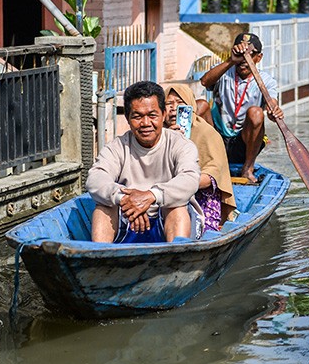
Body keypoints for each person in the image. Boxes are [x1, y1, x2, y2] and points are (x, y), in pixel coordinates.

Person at [86, 81, 202, 243]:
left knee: (176, 208)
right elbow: (95, 178)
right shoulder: (117, 147)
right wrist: (124, 199)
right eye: (137, 116)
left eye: (152, 115)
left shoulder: (181, 144)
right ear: (127, 118)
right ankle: (100, 256)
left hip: (165, 219)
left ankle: (177, 256)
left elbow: (189, 179)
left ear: (163, 114)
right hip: (128, 218)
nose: (146, 123)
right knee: (103, 209)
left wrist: (151, 196)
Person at [196, 32, 284, 183]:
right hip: (217, 138)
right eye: (241, 54)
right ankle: (201, 164)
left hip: (244, 142)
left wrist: (273, 111)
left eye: (250, 55)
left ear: (259, 57)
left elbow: (272, 104)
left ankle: (247, 169)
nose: (244, 60)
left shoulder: (266, 80)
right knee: (200, 105)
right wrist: (231, 60)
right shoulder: (224, 70)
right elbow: (204, 82)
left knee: (256, 113)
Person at [163, 83, 237, 230]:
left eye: (179, 103)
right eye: (168, 104)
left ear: (190, 106)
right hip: (165, 195)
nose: (173, 108)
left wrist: (181, 184)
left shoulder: (207, 133)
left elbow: (213, 174)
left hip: (201, 197)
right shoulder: (158, 133)